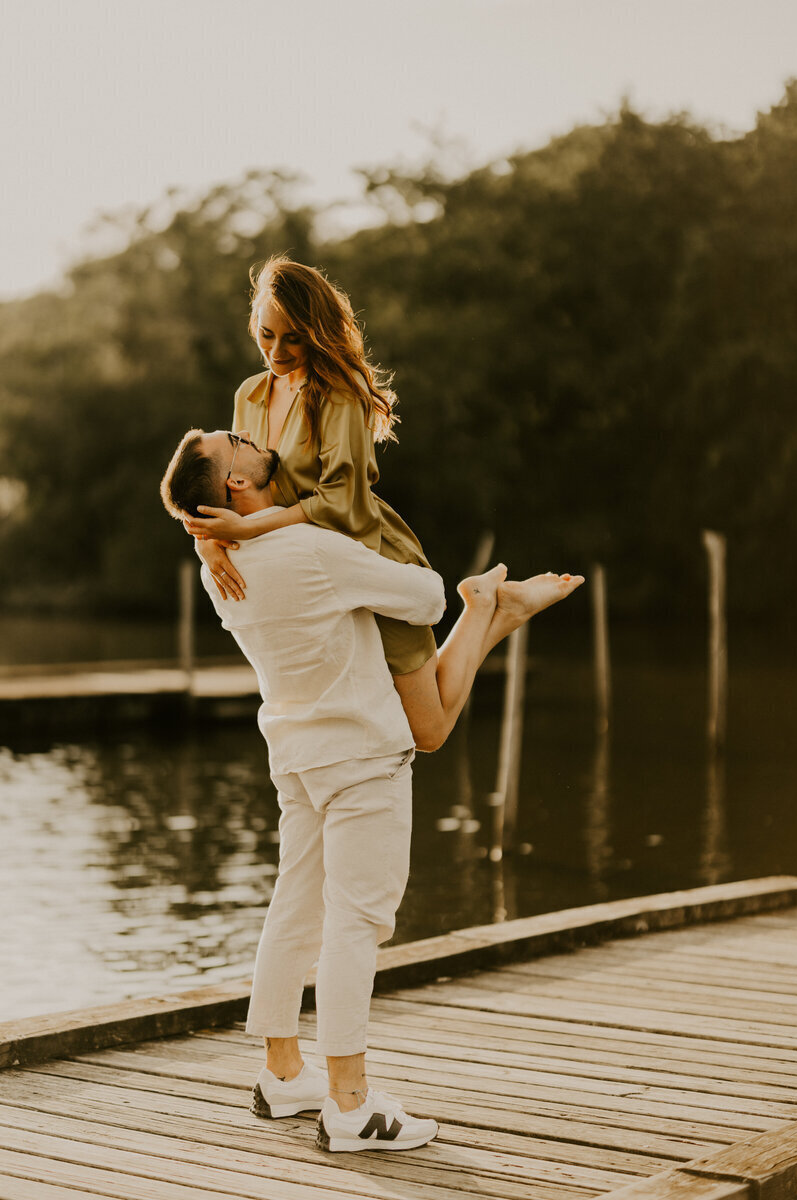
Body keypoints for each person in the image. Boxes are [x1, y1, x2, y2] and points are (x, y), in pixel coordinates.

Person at [160, 426, 583, 1153]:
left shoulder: (218, 566)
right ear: (236, 483)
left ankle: (280, 1073)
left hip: (295, 756)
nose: (250, 437)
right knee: (358, 922)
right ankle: (350, 1105)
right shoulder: (309, 550)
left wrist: (207, 537)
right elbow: (423, 600)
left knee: (293, 909)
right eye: (237, 443)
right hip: (359, 756)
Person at [182, 257, 576, 753]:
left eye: (293, 338)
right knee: (377, 721)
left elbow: (343, 501)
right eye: (266, 335)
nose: (276, 352)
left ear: (317, 332)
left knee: (428, 732)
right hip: (307, 576)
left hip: (367, 553)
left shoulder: (339, 393)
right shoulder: (250, 394)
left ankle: (482, 609)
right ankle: (495, 609)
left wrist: (249, 533)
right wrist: (208, 543)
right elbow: (220, 480)